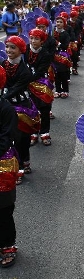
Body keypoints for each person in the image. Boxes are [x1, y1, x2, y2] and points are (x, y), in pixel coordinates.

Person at [1, 36, 35, 185]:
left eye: (12, 47)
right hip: (6, 106)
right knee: (10, 137)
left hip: (22, 106)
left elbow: (15, 90)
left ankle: (23, 163)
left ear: (21, 50)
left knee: (23, 138)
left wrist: (3, 98)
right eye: (7, 46)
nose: (8, 50)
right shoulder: (3, 64)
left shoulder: (25, 71)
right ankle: (18, 165)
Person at [0, 65, 19, 268]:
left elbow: (5, 139)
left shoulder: (6, 109)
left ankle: (7, 245)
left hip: (3, 166)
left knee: (3, 210)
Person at [26, 28, 54, 147]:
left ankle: (44, 133)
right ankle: (33, 133)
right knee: (31, 110)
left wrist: (26, 78)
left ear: (42, 41)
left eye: (36, 39)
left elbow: (40, 71)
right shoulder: (25, 50)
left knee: (44, 109)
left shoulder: (46, 54)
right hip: (26, 84)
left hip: (41, 84)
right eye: (31, 38)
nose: (33, 41)